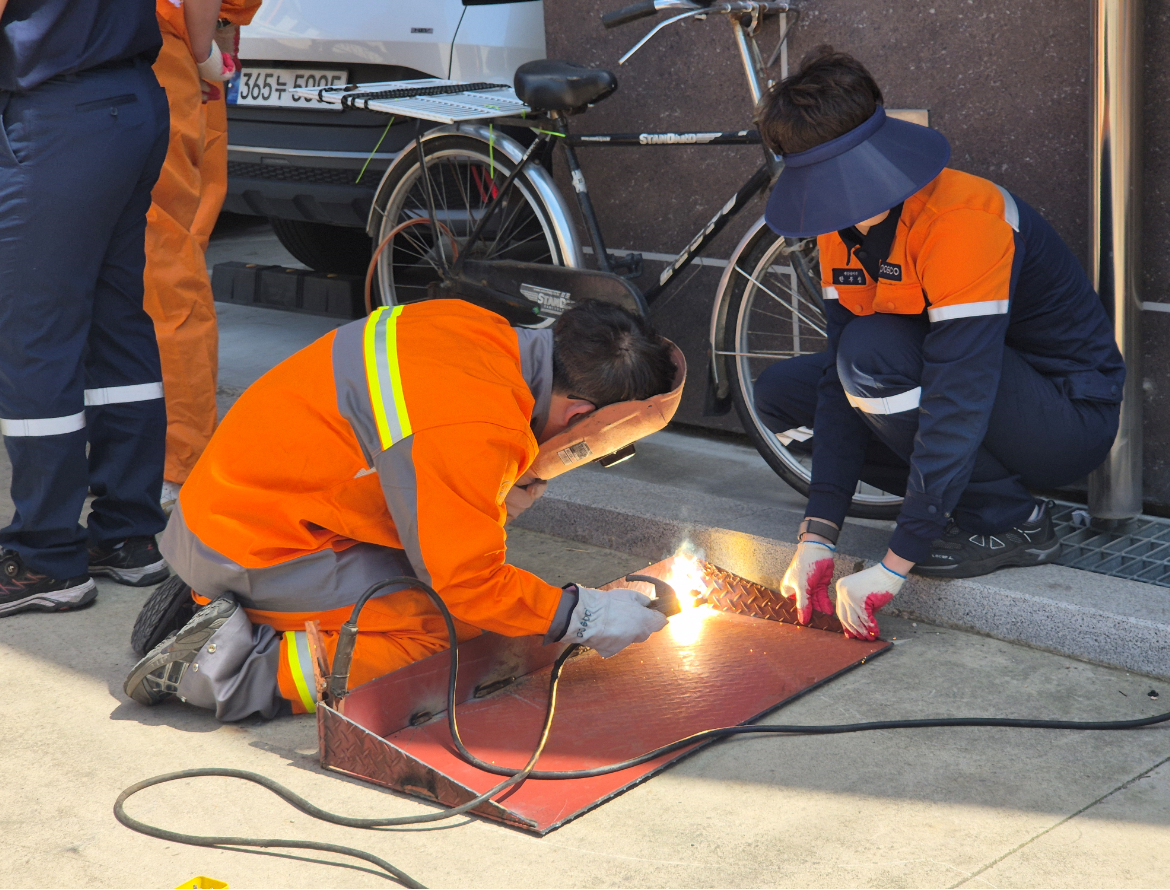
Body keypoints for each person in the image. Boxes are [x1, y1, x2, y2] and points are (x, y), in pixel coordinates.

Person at [124, 299, 679, 720]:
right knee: (440, 632)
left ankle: (226, 604)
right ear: (579, 412)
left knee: (479, 601)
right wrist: (583, 615)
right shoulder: (478, 426)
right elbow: (469, 582)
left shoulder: (470, 326)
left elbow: (403, 462)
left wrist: (496, 495)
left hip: (226, 508)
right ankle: (224, 667)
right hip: (257, 544)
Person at [754, 48, 1124, 641]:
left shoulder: (962, 219)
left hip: (1064, 417)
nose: (839, 197)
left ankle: (1012, 519)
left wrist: (897, 562)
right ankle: (976, 493)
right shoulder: (836, 228)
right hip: (965, 386)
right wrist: (818, 533)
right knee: (781, 395)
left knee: (872, 356)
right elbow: (836, 388)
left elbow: (960, 392)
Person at [0, 0, 174, 618]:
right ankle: (127, 535)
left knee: (34, 336)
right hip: (131, 101)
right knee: (114, 326)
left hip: (58, 114)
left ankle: (46, 556)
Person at [144, 0, 261, 515]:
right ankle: (179, 462)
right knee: (173, 266)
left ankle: (150, 456)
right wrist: (203, 48)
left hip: (80, 67)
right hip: (171, 57)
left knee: (139, 271)